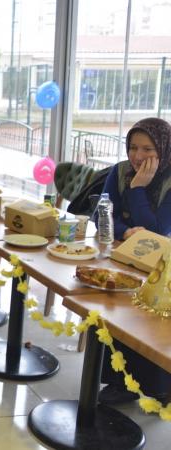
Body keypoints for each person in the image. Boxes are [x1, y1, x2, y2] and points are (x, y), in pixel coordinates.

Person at [97, 117, 171, 405]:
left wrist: (139, 188)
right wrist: (126, 231)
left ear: (163, 149)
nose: (138, 157)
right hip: (122, 259)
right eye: (132, 148)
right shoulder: (120, 172)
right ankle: (118, 382)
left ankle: (156, 388)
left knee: (148, 318)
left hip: (161, 271)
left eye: (147, 149)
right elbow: (100, 214)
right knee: (111, 309)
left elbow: (155, 234)